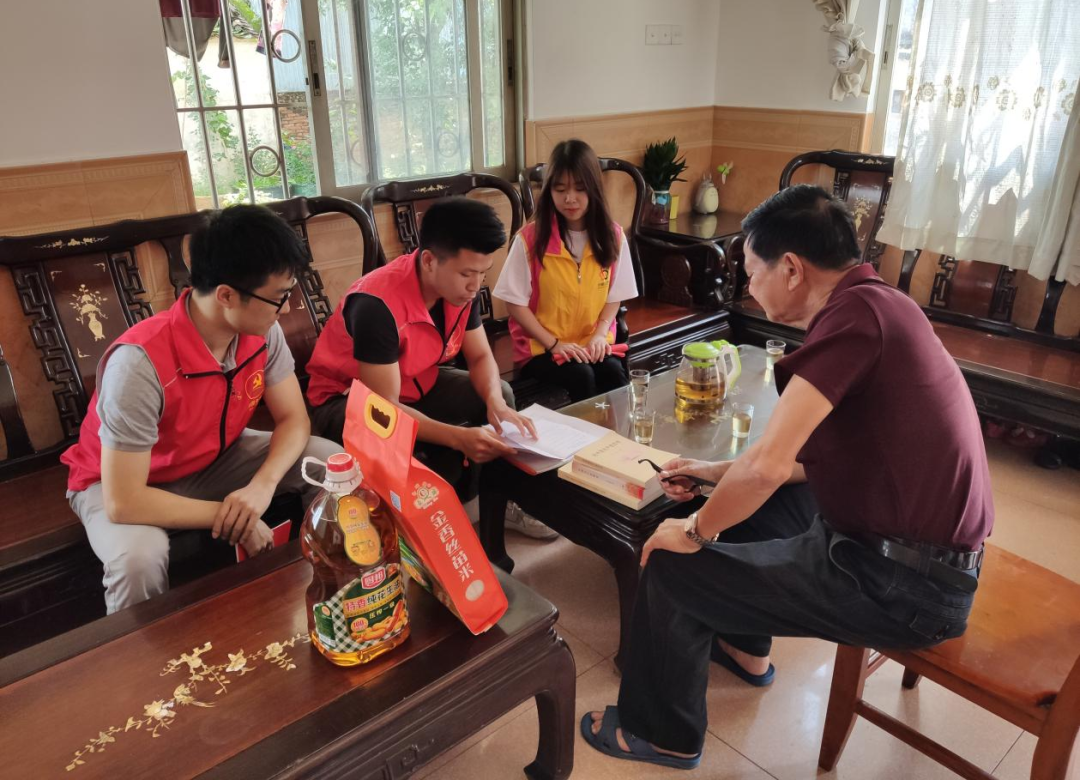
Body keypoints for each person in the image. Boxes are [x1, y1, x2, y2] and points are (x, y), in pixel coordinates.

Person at [581, 184, 995, 769]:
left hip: (904, 586)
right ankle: (744, 649)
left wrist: (695, 530)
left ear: (793, 269)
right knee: (760, 507)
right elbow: (804, 460)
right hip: (925, 560)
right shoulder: (879, 304)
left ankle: (661, 733)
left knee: (672, 565)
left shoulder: (854, 321)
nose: (749, 285)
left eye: (753, 271)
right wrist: (716, 473)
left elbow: (770, 464)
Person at [62, 205, 344, 614]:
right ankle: (139, 654)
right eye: (278, 297)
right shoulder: (139, 364)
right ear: (226, 295)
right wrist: (235, 517)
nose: (286, 308)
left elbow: (294, 420)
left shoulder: (262, 334)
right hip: (120, 482)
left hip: (211, 458)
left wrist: (261, 487)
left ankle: (329, 592)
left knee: (329, 462)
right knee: (138, 559)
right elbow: (123, 501)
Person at [305, 197, 554, 538]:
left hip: (416, 381)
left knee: (501, 395)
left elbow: (481, 357)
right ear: (429, 260)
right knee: (421, 445)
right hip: (347, 400)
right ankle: (412, 529)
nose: (476, 285)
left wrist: (495, 403)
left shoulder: (460, 292)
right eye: (467, 273)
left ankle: (497, 500)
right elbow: (385, 410)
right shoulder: (377, 305)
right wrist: (458, 437)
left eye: (483, 273)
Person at [493, 139, 638, 403]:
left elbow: (615, 295)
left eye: (579, 189)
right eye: (560, 189)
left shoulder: (613, 236)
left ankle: (621, 429)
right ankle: (586, 431)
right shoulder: (530, 239)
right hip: (541, 347)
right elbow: (514, 303)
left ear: (594, 188)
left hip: (591, 342)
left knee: (614, 373)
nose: (569, 199)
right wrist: (555, 344)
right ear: (549, 190)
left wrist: (599, 335)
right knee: (582, 376)